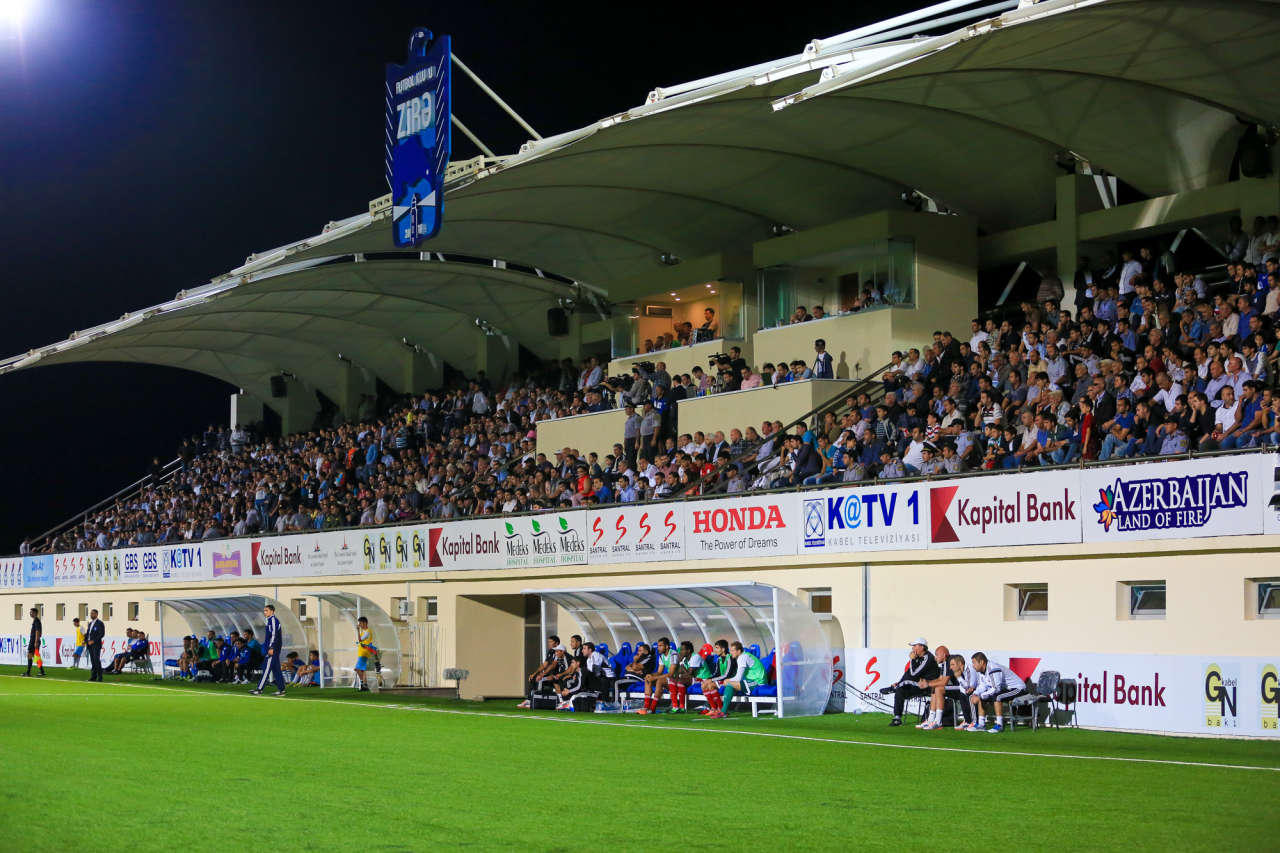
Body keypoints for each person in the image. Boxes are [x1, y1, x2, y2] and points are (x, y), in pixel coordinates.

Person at [880, 637, 940, 726]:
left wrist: (912, 659)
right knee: (900, 690)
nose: (912, 648)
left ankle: (894, 688)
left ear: (922, 647)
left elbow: (913, 674)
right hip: (918, 685)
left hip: (928, 686)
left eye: (914, 646)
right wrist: (900, 682)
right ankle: (897, 718)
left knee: (905, 682)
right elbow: (909, 673)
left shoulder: (928, 658)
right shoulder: (918, 657)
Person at [966, 651, 1027, 733]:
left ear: (981, 662)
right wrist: (975, 694)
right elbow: (983, 685)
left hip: (1018, 688)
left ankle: (999, 725)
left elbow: (996, 689)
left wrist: (980, 696)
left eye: (974, 663)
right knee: (983, 695)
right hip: (1006, 689)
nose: (973, 666)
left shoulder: (993, 668)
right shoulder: (981, 671)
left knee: (997, 696)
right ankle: (981, 725)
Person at [709, 641, 768, 719]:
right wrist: (726, 682)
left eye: (733, 650)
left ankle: (723, 711)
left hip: (758, 682)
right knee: (729, 685)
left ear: (739, 651)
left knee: (729, 684)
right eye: (730, 650)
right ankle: (723, 711)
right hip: (751, 681)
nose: (731, 652)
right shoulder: (742, 657)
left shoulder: (743, 657)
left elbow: (738, 678)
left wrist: (726, 681)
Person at [250, 603, 286, 696]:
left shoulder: (273, 620)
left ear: (272, 611)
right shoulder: (270, 621)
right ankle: (282, 690)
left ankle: (259, 689)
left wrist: (271, 647)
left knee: (266, 668)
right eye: (264, 611)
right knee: (276, 670)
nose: (264, 612)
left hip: (273, 650)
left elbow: (274, 636)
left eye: (266, 611)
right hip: (272, 649)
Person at [518, 635, 561, 708]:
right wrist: (534, 674)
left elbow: (553, 665)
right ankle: (530, 699)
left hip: (556, 675)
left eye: (551, 642)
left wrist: (542, 675)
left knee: (539, 680)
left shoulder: (558, 652)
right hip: (549, 674)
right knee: (533, 677)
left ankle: (535, 701)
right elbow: (544, 665)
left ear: (556, 643)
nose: (549, 643)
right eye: (548, 642)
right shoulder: (550, 651)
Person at [637, 637, 674, 714]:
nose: (658, 648)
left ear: (667, 647)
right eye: (658, 646)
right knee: (648, 678)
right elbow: (659, 672)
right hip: (668, 680)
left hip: (676, 680)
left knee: (659, 681)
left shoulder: (673, 655)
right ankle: (646, 707)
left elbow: (671, 674)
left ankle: (652, 708)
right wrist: (650, 676)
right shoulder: (662, 656)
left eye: (660, 646)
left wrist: (655, 677)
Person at [697, 640, 730, 716]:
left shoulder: (729, 658)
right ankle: (713, 709)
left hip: (730, 680)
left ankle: (721, 709)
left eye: (717, 648)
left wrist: (712, 680)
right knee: (704, 685)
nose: (715, 650)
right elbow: (717, 673)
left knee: (711, 685)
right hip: (722, 679)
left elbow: (727, 674)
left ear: (723, 649)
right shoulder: (719, 659)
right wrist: (710, 679)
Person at [353, 616, 376, 692]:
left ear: (365, 623)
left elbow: (360, 640)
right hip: (362, 653)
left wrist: (357, 630)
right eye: (359, 623)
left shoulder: (367, 631)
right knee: (363, 670)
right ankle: (364, 685)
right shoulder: (364, 631)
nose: (359, 625)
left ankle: (363, 684)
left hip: (364, 653)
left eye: (360, 623)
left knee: (357, 669)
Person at [24, 608, 45, 677]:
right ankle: (42, 671)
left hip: (34, 641)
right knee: (35, 656)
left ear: (35, 613)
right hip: (34, 640)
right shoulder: (36, 621)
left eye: (31, 612)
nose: (30, 614)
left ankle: (28, 672)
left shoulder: (36, 621)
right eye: (30, 612)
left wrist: (36, 641)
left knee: (30, 655)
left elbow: (37, 631)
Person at [85, 609, 105, 682]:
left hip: (96, 644)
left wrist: (93, 641)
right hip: (89, 644)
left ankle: (100, 677)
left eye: (93, 613)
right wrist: (86, 640)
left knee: (97, 661)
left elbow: (101, 634)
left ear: (96, 614)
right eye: (91, 613)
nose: (91, 615)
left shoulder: (100, 623)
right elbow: (88, 633)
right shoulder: (90, 623)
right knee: (93, 661)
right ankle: (93, 677)